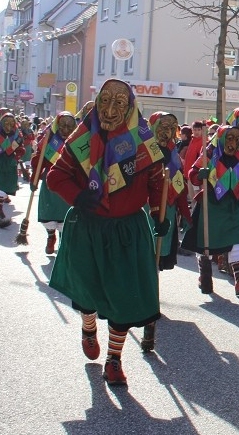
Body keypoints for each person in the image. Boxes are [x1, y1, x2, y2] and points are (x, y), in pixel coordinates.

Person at [46, 79, 166, 386]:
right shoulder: (83, 136)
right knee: (89, 290)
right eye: (105, 102)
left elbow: (156, 181)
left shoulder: (142, 139)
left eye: (119, 104)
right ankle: (88, 326)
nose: (110, 110)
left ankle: (114, 359)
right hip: (88, 226)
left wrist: (158, 214)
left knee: (123, 296)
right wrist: (77, 196)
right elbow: (55, 176)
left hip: (127, 229)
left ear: (130, 107)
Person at [183, 116, 239, 295]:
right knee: (205, 243)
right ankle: (205, 276)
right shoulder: (210, 152)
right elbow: (193, 172)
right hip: (211, 204)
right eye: (229, 138)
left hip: (233, 206)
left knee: (236, 242)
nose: (233, 143)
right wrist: (200, 174)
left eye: (237, 139)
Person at [148, 112, 190, 272]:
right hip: (147, 206)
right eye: (164, 127)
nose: (168, 132)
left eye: (172, 128)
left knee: (160, 253)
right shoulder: (143, 150)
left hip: (168, 206)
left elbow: (180, 184)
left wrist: (185, 213)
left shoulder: (174, 154)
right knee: (145, 251)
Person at [30, 112, 77, 255]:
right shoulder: (49, 142)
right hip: (51, 182)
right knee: (49, 212)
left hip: (69, 182)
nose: (66, 129)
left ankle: (64, 244)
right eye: (63, 125)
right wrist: (34, 179)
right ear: (57, 126)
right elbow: (38, 163)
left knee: (66, 216)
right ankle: (51, 237)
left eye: (70, 126)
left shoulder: (77, 141)